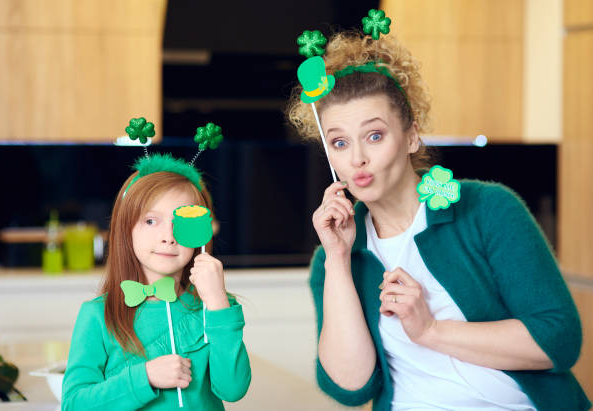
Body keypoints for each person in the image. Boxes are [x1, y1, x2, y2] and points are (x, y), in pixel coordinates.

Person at [287, 28, 590, 411]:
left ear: (412, 136)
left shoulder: (488, 209)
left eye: (375, 136)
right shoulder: (335, 259)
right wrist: (337, 260)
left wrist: (430, 331)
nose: (357, 158)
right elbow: (350, 389)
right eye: (340, 143)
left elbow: (558, 339)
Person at [62, 154, 251, 410]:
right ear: (126, 230)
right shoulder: (98, 314)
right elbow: (74, 404)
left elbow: (233, 389)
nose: (168, 237)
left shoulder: (215, 307)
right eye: (151, 221)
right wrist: (145, 377)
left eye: (182, 223)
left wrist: (218, 303)